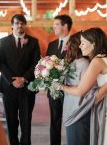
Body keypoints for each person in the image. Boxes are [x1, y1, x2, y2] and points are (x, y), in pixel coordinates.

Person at [0, 14, 40, 145]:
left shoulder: (33, 42)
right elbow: (1, 63)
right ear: (12, 25)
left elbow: (36, 63)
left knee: (26, 120)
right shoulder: (3, 41)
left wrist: (24, 78)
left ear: (25, 25)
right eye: (17, 23)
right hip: (8, 87)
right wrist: (12, 80)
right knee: (11, 121)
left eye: (22, 23)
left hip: (27, 87)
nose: (19, 26)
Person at [46, 14, 72, 145]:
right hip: (53, 91)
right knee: (54, 122)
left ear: (65, 26)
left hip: (71, 90)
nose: (53, 27)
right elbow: (46, 65)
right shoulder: (51, 45)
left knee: (71, 122)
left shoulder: (76, 43)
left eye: (56, 24)